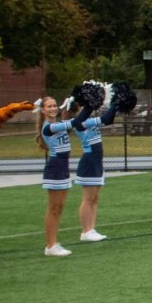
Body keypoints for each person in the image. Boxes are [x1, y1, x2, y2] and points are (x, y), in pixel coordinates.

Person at [37, 96, 92, 256]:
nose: (53, 108)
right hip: (55, 169)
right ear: (42, 110)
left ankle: (53, 243)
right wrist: (90, 105)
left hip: (63, 169)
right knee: (53, 208)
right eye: (49, 106)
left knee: (59, 208)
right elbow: (75, 122)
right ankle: (50, 245)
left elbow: (74, 119)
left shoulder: (57, 124)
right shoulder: (48, 127)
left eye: (55, 105)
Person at [72, 97, 118, 242]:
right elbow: (106, 117)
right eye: (82, 106)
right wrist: (115, 102)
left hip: (97, 162)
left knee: (94, 198)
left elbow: (108, 118)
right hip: (89, 162)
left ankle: (91, 228)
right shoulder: (79, 123)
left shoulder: (88, 121)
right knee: (87, 198)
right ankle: (85, 231)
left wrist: (116, 103)